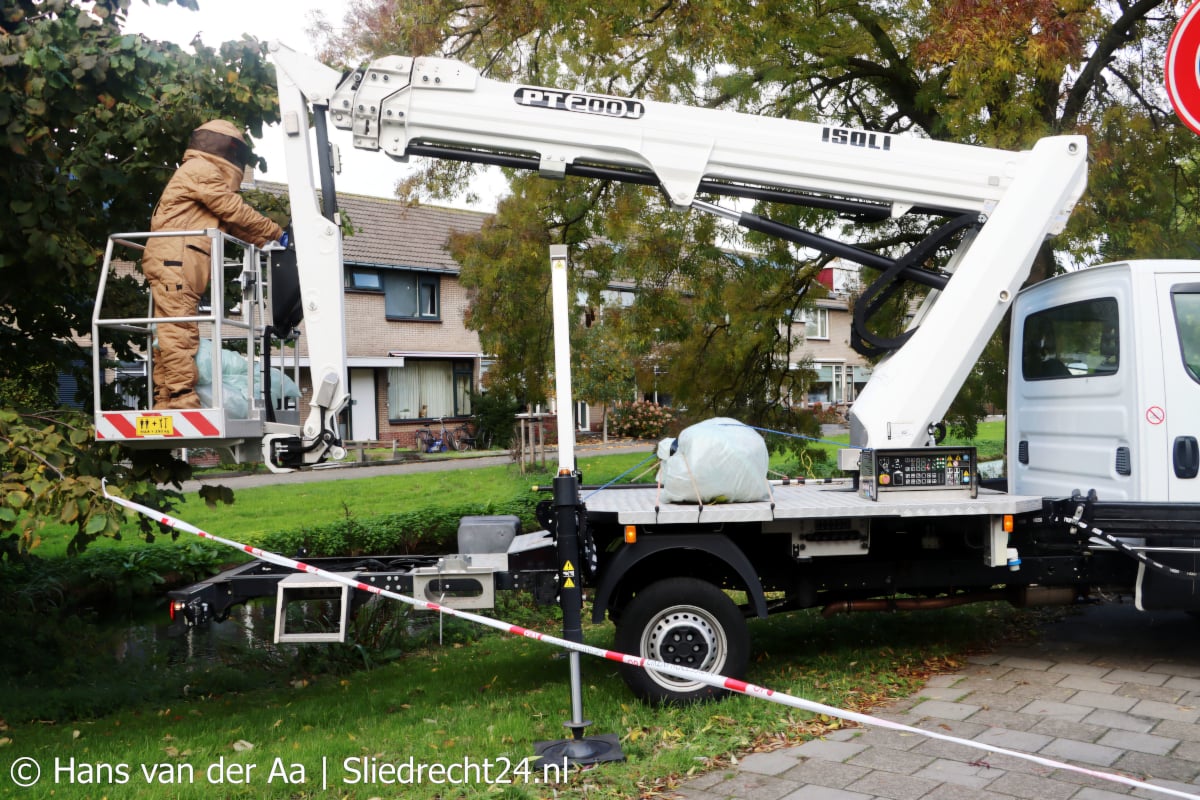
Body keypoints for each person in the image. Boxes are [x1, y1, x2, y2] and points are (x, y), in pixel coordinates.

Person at [142, 119, 284, 409]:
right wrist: (278, 233)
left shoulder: (199, 176)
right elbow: (232, 208)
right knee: (178, 332)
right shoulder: (200, 170)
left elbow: (229, 224)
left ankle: (165, 399)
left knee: (169, 334)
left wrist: (265, 243)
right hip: (176, 261)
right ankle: (182, 398)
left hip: (176, 260)